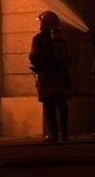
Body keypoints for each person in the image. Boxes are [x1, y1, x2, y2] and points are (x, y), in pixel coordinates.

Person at [29, 11, 72, 142]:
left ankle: (53, 135)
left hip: (47, 78)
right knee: (63, 107)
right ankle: (64, 135)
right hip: (61, 78)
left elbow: (34, 57)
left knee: (49, 108)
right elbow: (68, 58)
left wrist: (38, 65)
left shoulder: (38, 39)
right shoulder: (62, 40)